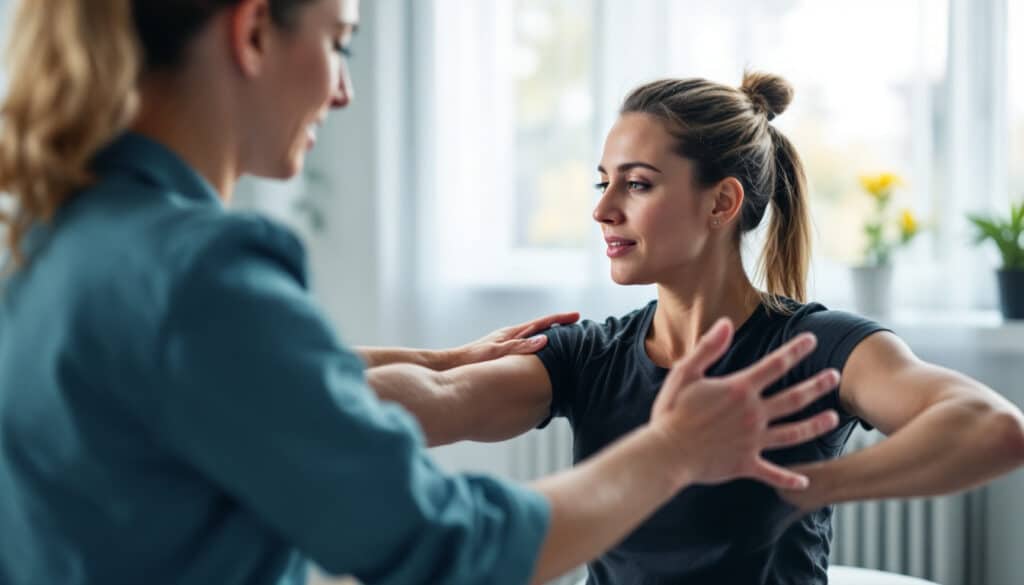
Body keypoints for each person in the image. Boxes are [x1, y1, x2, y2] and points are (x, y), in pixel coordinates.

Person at [0, 2, 845, 584]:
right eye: (342, 41)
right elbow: (451, 546)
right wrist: (672, 449)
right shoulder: (201, 273)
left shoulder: (54, 244)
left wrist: (439, 358)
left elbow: (251, 383)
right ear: (254, 30)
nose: (343, 88)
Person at [367, 72, 1024, 584]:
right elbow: (411, 404)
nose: (602, 209)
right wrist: (442, 358)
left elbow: (991, 426)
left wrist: (812, 486)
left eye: (637, 184)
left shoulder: (817, 346)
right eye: (603, 183)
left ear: (722, 201)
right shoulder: (587, 356)